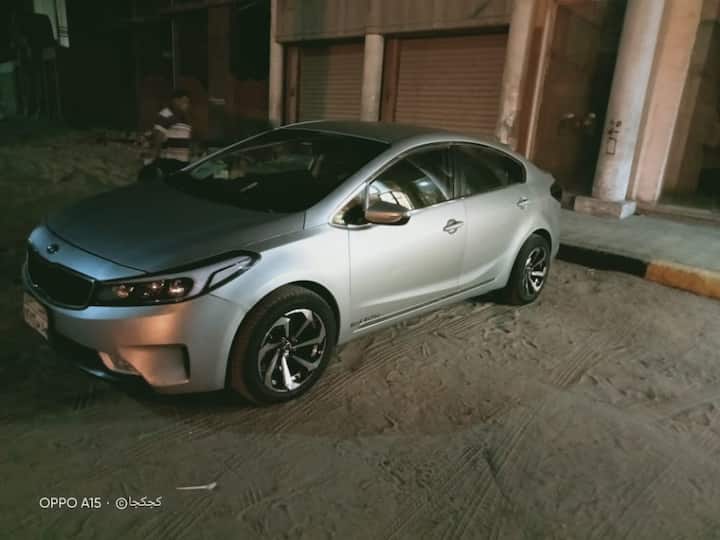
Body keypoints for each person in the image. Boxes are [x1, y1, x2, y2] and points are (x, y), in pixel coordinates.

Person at [139, 89, 193, 181]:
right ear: (175, 101)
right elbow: (158, 137)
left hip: (182, 162)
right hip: (169, 162)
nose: (186, 104)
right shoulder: (165, 114)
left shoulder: (185, 118)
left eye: (188, 102)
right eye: (183, 101)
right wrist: (154, 158)